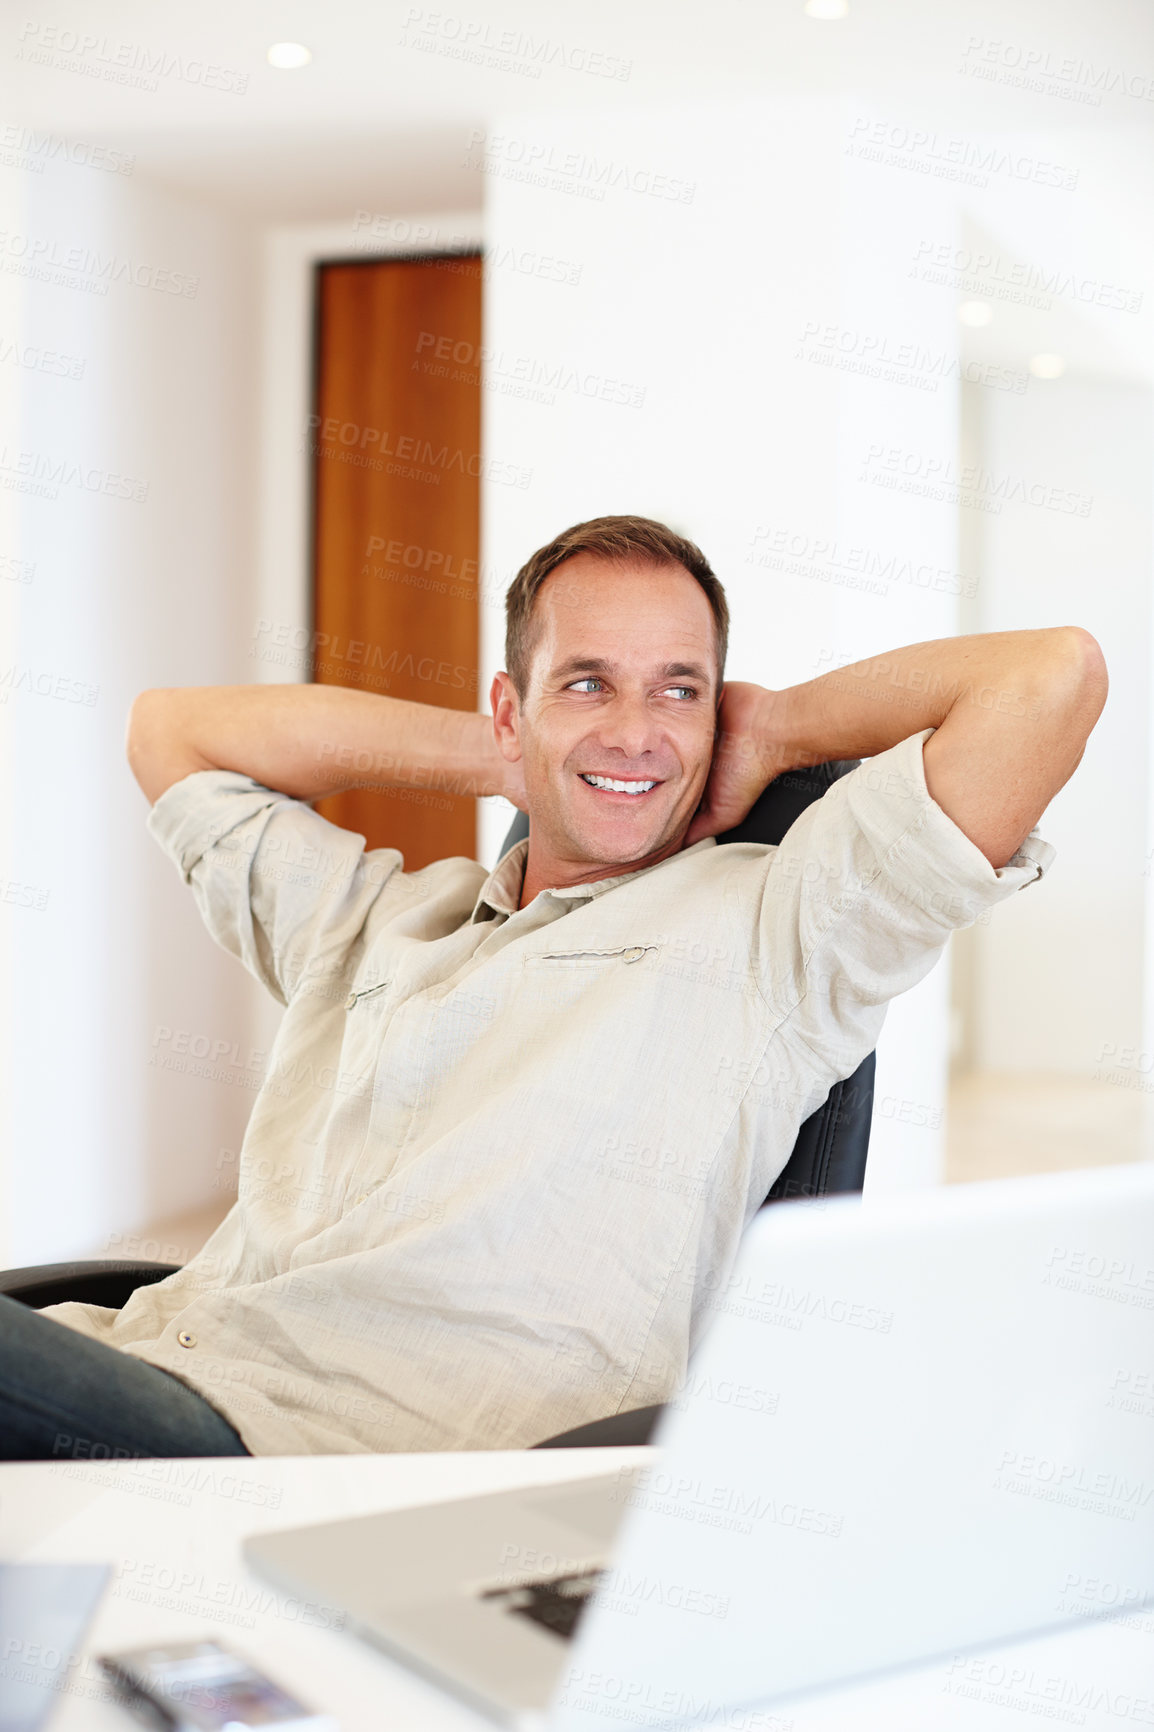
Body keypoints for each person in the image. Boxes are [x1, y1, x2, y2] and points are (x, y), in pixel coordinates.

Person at [0, 516, 1106, 1460]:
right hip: (150, 1354)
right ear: (509, 705)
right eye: (587, 683)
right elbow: (171, 732)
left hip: (325, 1459)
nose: (636, 731)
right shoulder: (381, 919)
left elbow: (1048, 677)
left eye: (679, 690)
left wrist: (771, 727)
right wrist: (505, 757)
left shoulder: (783, 929)